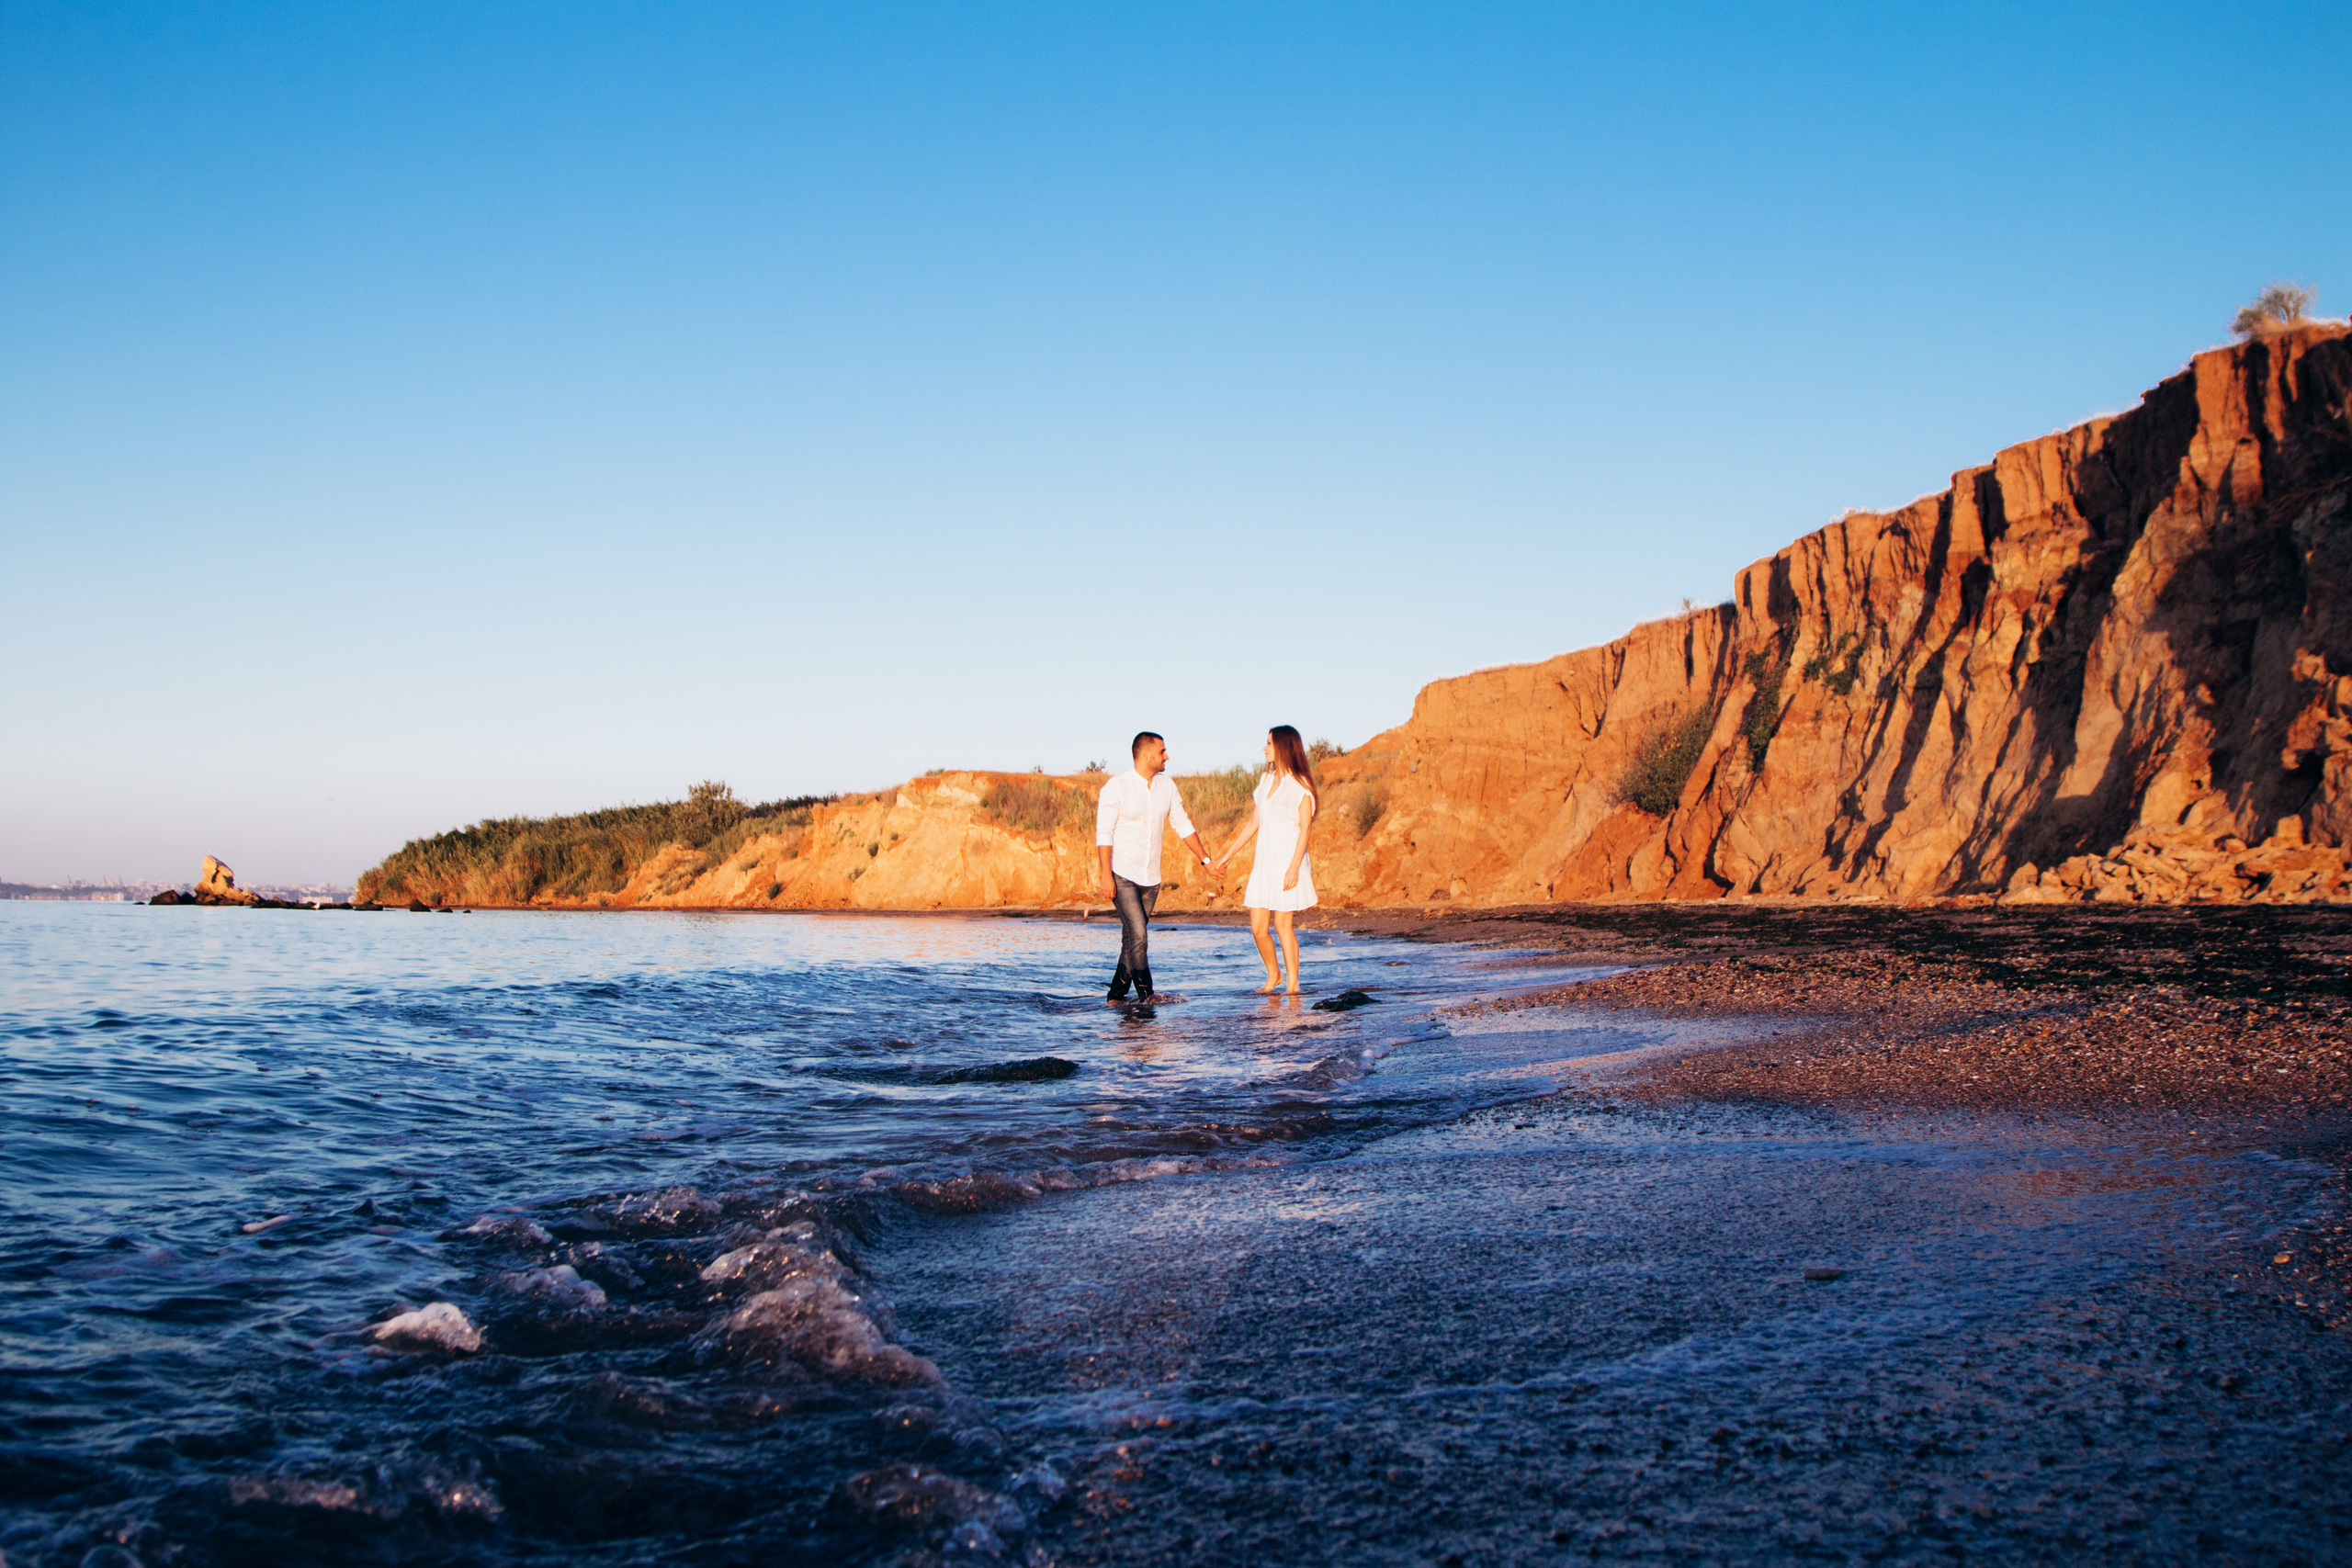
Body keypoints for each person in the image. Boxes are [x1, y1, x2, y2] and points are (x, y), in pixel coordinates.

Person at [1095, 731, 1216, 1002]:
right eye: (1162, 751)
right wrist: (1105, 875)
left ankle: (1115, 996)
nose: (1167, 756)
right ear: (1145, 753)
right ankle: (1147, 995)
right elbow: (1104, 833)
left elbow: (1183, 825)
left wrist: (1206, 860)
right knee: (1139, 934)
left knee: (1132, 939)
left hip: (1151, 879)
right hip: (1122, 874)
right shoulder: (1116, 787)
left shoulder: (1167, 787)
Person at [1210, 725, 1318, 993]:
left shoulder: (1300, 784)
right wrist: (1227, 855)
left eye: (1269, 743)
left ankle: (1292, 985)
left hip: (1288, 862)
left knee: (1283, 924)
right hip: (1264, 863)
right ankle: (1274, 975)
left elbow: (1306, 828)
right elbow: (1253, 823)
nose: (1264, 748)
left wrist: (1294, 867)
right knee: (1258, 928)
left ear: (1283, 746)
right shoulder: (1266, 780)